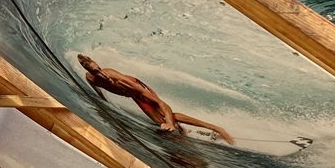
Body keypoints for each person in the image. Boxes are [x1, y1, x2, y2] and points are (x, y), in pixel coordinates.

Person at [77, 54, 235, 144]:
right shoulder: (90, 78)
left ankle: (216, 128)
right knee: (160, 122)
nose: (102, 74)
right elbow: (97, 90)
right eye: (95, 72)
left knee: (166, 117)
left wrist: (169, 123)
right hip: (134, 96)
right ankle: (179, 129)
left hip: (138, 90)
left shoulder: (123, 81)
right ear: (88, 70)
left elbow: (160, 103)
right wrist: (102, 101)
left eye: (99, 69)